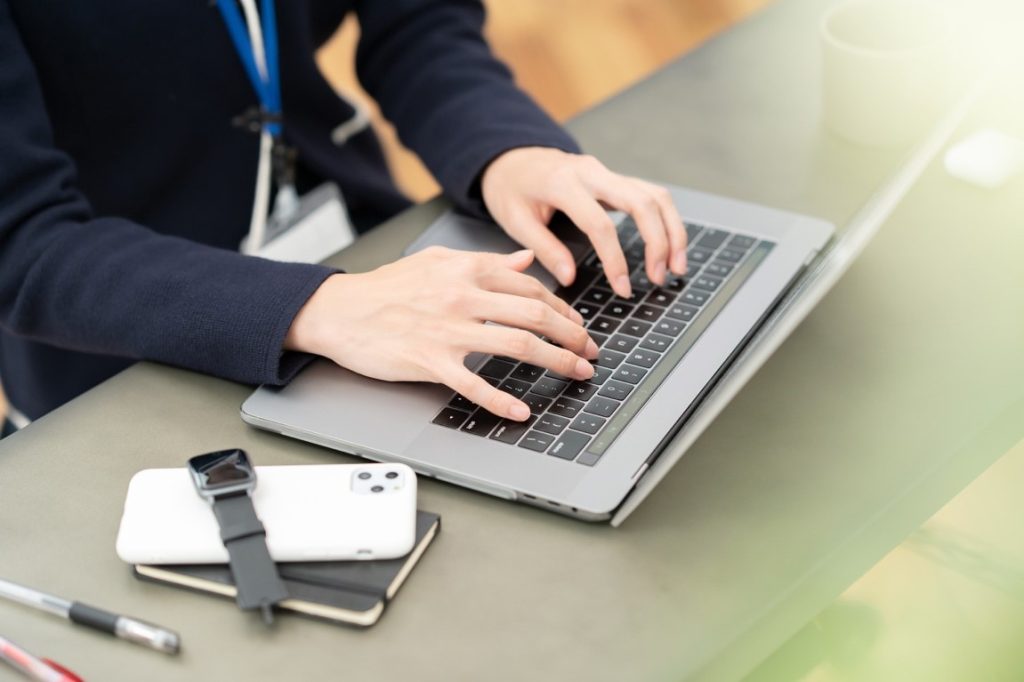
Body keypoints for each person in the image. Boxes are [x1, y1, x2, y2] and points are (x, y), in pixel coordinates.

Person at [0, 0, 687, 438]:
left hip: (370, 259)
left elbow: (417, 22)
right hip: (121, 365)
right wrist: (319, 306)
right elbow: (23, 243)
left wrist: (503, 148)